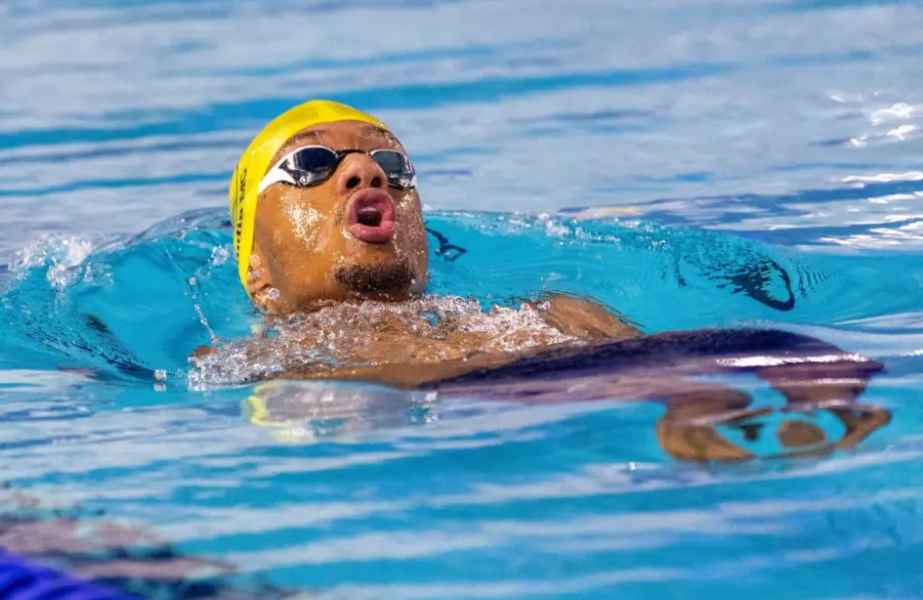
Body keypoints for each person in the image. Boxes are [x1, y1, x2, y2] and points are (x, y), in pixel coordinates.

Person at [194, 99, 890, 461]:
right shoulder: (254, 366)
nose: (369, 174)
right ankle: (693, 411)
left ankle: (770, 402)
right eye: (312, 164)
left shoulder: (553, 311)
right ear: (257, 271)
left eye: (396, 170)